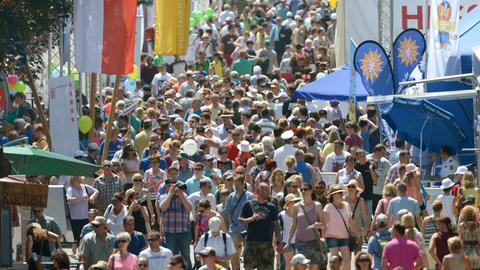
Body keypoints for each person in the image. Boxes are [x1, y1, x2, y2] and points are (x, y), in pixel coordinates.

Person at [238, 182, 281, 270]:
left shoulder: (272, 207)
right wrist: (251, 219)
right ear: (257, 191)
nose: (266, 192)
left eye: (267, 190)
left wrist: (279, 242)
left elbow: (276, 225)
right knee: (248, 267)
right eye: (264, 190)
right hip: (251, 242)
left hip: (267, 243)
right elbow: (240, 220)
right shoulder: (248, 204)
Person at [287, 183, 327, 270]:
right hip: (300, 242)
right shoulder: (296, 206)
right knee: (300, 266)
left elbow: (324, 224)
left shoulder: (317, 205)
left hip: (314, 242)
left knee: (313, 267)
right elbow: (294, 225)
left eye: (306, 189)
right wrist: (289, 241)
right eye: (302, 189)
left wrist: (318, 225)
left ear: (311, 191)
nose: (303, 191)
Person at [157, 179, 193, 270]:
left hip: (184, 231)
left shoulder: (183, 195)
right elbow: (163, 207)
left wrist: (181, 195)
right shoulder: (163, 196)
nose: (173, 188)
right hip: (170, 232)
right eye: (170, 186)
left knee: (186, 255)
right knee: (172, 256)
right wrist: (170, 194)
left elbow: (189, 208)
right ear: (166, 187)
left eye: (174, 185)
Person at [224, 176, 254, 270]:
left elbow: (253, 210)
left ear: (242, 184)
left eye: (238, 184)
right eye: (235, 184)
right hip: (234, 227)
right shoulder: (231, 196)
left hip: (247, 227)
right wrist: (230, 224)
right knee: (234, 252)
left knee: (248, 252)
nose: (236, 186)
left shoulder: (249, 195)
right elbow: (228, 211)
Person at [323, 184, 356, 270]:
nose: (341, 194)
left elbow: (350, 222)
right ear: (333, 195)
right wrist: (323, 238)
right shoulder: (328, 207)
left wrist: (357, 234)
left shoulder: (346, 205)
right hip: (331, 237)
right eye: (338, 193)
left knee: (347, 261)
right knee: (335, 262)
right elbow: (324, 224)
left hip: (344, 236)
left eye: (341, 192)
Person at [67, 176, 98, 254]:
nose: (79, 179)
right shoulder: (70, 189)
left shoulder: (85, 187)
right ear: (72, 180)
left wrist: (92, 197)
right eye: (76, 178)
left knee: (86, 236)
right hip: (75, 218)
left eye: (79, 178)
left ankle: (84, 252)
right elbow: (70, 201)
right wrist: (82, 198)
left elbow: (96, 191)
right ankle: (78, 254)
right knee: (77, 237)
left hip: (86, 217)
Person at [344, 180, 370, 252]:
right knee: (347, 257)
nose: (350, 188)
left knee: (358, 256)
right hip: (346, 232)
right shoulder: (343, 200)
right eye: (349, 187)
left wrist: (366, 227)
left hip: (357, 232)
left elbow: (365, 215)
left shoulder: (361, 201)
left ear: (356, 189)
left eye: (353, 186)